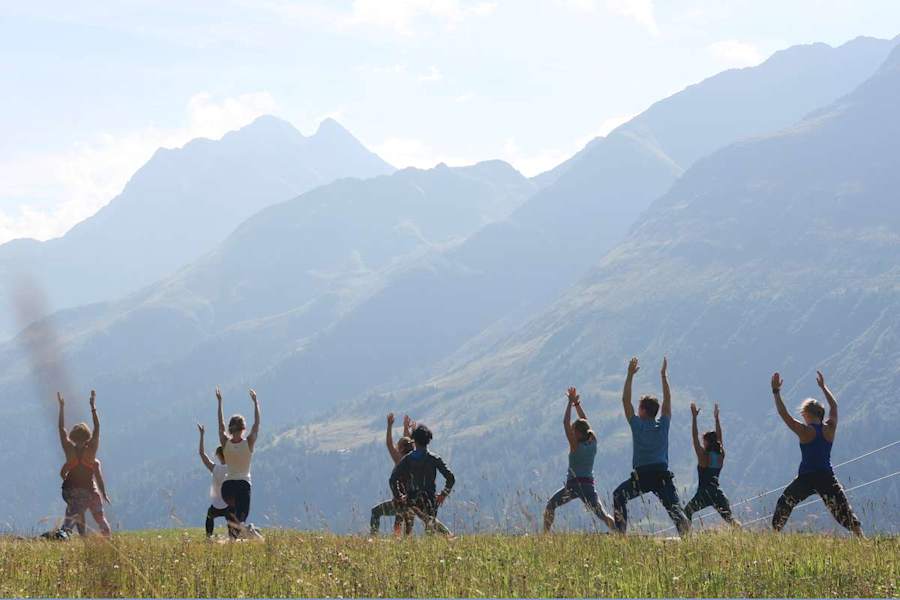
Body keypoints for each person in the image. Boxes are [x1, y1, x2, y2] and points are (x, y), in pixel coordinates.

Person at [770, 371, 862, 535]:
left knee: (785, 502)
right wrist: (823, 387)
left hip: (806, 478)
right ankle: (861, 538)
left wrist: (776, 392)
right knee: (842, 509)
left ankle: (775, 534)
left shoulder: (805, 431)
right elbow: (834, 407)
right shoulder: (830, 428)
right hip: (826, 476)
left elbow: (784, 414)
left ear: (806, 414)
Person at [612, 357, 690, 536]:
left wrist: (630, 375)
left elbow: (625, 401)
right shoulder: (663, 425)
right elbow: (668, 400)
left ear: (643, 410)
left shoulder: (637, 425)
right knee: (675, 509)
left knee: (618, 495)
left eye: (639, 407)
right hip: (661, 475)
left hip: (642, 476)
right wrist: (663, 376)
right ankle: (686, 536)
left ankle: (621, 534)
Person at [543, 387, 615, 532]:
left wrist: (570, 403)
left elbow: (565, 422)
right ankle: (621, 533)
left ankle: (544, 535)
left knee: (550, 505)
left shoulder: (575, 446)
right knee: (602, 514)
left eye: (573, 430)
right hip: (588, 485)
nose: (571, 432)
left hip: (573, 486)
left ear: (579, 433)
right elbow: (586, 423)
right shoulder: (592, 441)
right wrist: (577, 404)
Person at [57, 390, 112, 537]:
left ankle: (66, 534)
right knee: (99, 518)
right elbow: (97, 428)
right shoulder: (91, 451)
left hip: (70, 491)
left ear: (73, 436)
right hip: (88, 491)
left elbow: (61, 429)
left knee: (73, 515)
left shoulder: (69, 449)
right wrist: (93, 406)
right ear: (87, 436)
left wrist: (61, 407)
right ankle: (107, 537)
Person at [389, 423, 455, 535]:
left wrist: (398, 496)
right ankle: (446, 537)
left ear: (414, 441)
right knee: (430, 529)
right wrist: (443, 494)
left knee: (407, 530)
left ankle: (405, 542)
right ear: (428, 441)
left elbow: (393, 479)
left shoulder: (407, 459)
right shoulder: (434, 459)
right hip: (430, 499)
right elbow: (450, 478)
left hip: (411, 499)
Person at [216, 386, 263, 539]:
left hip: (227, 487)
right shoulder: (249, 442)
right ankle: (250, 532)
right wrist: (256, 403)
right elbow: (256, 425)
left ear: (230, 429)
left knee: (232, 519)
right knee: (241, 518)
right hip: (243, 485)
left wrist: (220, 402)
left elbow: (220, 425)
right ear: (243, 428)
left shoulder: (225, 443)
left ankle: (232, 542)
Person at [683, 403, 739, 526]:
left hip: (703, 494)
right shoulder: (721, 455)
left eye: (704, 442)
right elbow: (720, 438)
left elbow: (694, 437)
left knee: (686, 512)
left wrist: (694, 418)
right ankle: (742, 532)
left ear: (707, 443)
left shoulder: (703, 456)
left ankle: (686, 535)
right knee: (730, 519)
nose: (702, 443)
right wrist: (716, 419)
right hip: (717, 493)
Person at [198, 424, 229, 538]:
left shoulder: (215, 468)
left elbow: (202, 454)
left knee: (209, 516)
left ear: (219, 456)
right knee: (232, 518)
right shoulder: (232, 468)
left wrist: (202, 435)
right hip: (228, 504)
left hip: (216, 505)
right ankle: (233, 537)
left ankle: (208, 537)